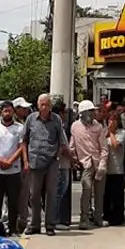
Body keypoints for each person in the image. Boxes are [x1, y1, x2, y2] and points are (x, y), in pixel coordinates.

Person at [23, 94, 70, 236]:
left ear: (50, 106)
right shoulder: (31, 119)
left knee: (51, 194)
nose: (44, 107)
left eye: (47, 104)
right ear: (38, 105)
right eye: (42, 104)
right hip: (35, 161)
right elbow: (24, 141)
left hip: (51, 162)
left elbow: (62, 141)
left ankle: (50, 225)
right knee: (34, 195)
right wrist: (25, 161)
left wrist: (57, 156)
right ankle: (35, 225)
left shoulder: (56, 119)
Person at [0, 101, 26, 233]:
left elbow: (21, 147)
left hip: (13, 170)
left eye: (10, 111)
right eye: (5, 111)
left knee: (13, 202)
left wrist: (9, 161)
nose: (7, 113)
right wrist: (0, 160)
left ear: (13, 112)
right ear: (1, 112)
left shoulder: (19, 128)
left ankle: (13, 228)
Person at [70, 100, 108, 229]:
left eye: (93, 111)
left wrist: (103, 164)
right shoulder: (75, 127)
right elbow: (72, 145)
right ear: (82, 113)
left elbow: (104, 147)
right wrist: (74, 159)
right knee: (86, 192)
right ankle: (84, 218)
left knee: (99, 193)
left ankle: (98, 217)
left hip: (98, 162)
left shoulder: (98, 127)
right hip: (85, 164)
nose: (92, 114)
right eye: (90, 111)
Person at [12, 98, 33, 233]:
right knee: (11, 195)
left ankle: (22, 222)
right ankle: (11, 221)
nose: (26, 110)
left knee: (25, 194)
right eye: (23, 108)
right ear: (16, 109)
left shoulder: (26, 122)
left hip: (24, 163)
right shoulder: (12, 124)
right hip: (12, 163)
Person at [104, 104, 125, 226]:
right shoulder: (105, 132)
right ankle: (107, 215)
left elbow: (115, 144)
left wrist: (112, 133)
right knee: (107, 195)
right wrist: (107, 132)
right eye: (109, 120)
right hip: (106, 169)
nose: (111, 122)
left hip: (117, 169)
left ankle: (117, 217)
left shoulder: (121, 133)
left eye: (113, 120)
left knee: (117, 195)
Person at [53, 99, 74, 231]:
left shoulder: (60, 125)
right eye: (64, 112)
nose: (66, 114)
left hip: (63, 164)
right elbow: (63, 147)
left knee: (59, 193)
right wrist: (73, 159)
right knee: (59, 193)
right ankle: (56, 220)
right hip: (60, 165)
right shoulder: (58, 126)